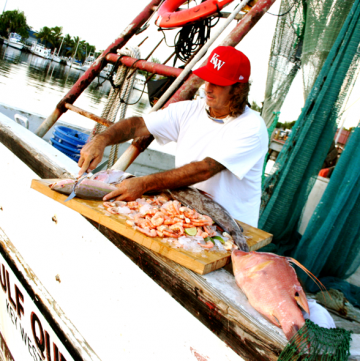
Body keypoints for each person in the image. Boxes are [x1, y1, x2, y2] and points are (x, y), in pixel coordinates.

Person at [78, 46, 268, 227]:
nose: (208, 88)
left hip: (232, 226)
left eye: (218, 83)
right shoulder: (189, 109)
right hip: (189, 213)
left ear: (238, 89)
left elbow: (204, 170)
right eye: (207, 79)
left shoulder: (251, 127)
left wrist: (143, 183)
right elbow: (138, 125)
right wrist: (101, 140)